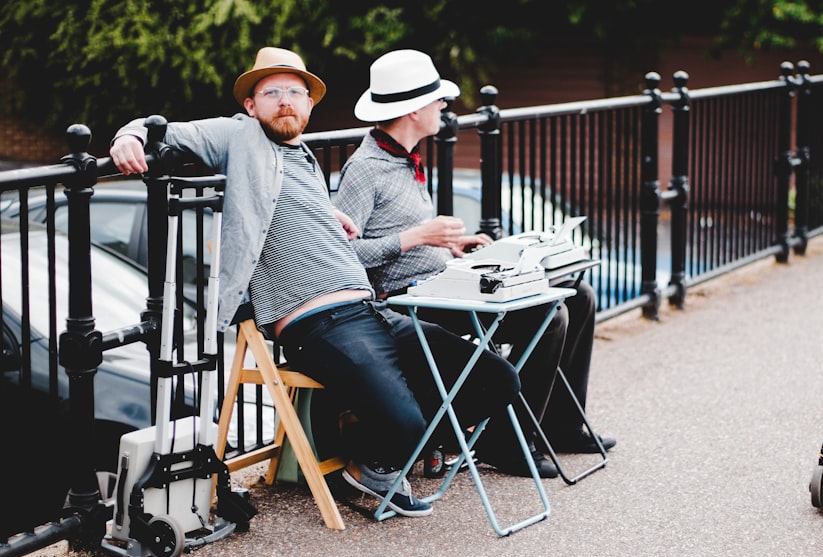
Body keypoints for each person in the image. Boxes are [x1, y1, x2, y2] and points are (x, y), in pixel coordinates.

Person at [109, 47, 521, 517]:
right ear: (251, 105)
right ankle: (378, 460)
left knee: (496, 379)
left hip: (373, 310)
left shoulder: (300, 155)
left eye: (295, 92)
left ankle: (378, 451)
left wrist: (329, 214)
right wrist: (129, 137)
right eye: (271, 92)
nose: (284, 100)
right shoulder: (238, 135)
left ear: (308, 106)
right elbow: (164, 131)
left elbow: (283, 202)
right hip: (317, 322)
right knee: (407, 423)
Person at [335, 49, 615, 479]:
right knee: (549, 312)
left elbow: (405, 236)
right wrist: (420, 237)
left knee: (579, 294)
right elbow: (344, 254)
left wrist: (452, 246)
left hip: (440, 283)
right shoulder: (365, 169)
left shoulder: (402, 160)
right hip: (404, 304)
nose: (445, 107)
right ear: (412, 111)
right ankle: (505, 442)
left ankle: (560, 427)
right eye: (436, 100)